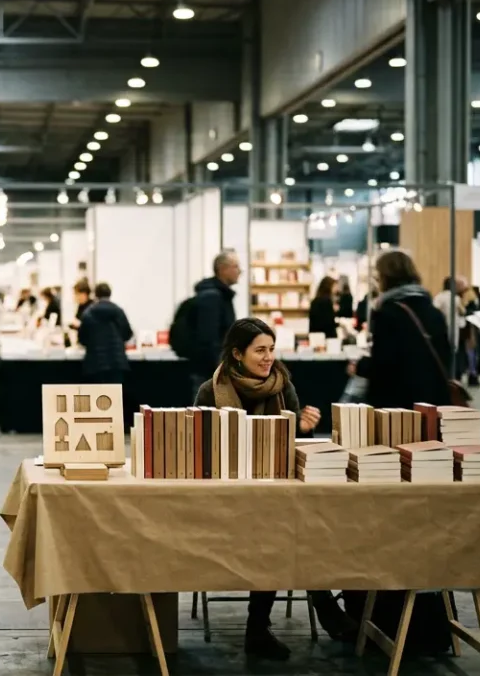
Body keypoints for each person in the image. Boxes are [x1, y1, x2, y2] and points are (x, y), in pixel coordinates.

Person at [193, 318, 353, 658]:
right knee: (279, 529)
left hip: (276, 496)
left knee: (288, 524)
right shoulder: (211, 392)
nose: (268, 358)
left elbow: (294, 448)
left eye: (271, 349)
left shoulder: (282, 387)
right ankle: (320, 607)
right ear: (237, 354)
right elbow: (199, 452)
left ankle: (260, 628)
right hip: (229, 498)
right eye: (259, 351)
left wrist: (306, 430)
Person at [352, 251, 452, 410]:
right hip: (433, 401)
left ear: (385, 277)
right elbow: (446, 355)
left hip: (398, 408)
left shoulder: (387, 314)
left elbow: (384, 365)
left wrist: (360, 366)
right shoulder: (433, 312)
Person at [190, 252, 241, 392]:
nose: (240, 271)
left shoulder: (221, 295)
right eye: (235, 266)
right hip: (210, 371)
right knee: (205, 412)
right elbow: (209, 337)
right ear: (223, 269)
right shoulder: (212, 297)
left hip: (213, 369)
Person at [76, 282, 133, 385]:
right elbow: (128, 333)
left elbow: (82, 338)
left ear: (95, 294)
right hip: (116, 362)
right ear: (110, 293)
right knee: (115, 398)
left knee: (97, 398)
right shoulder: (118, 311)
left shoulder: (88, 312)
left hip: (95, 363)